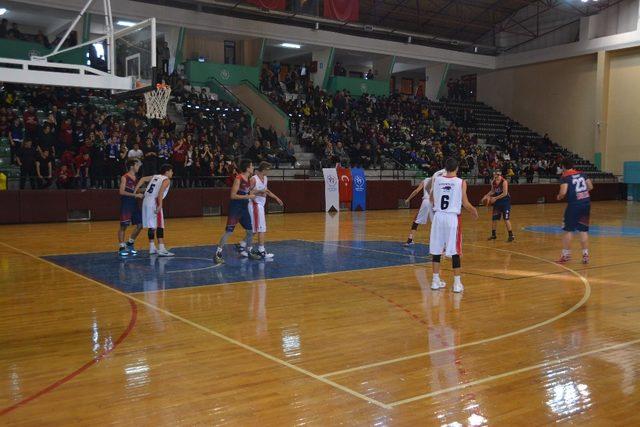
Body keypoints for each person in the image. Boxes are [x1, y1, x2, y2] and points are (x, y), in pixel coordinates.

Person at [429, 158, 478, 293]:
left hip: (438, 217)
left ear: (445, 168)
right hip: (452, 218)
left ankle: (435, 281)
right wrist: (474, 211)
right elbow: (466, 203)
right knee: (455, 250)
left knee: (437, 249)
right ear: (457, 168)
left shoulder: (437, 179)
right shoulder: (461, 182)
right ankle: (457, 283)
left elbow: (431, 198)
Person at [213, 159, 259, 264]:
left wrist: (259, 192)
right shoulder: (238, 178)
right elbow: (233, 195)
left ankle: (249, 251)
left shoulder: (248, 179)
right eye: (252, 166)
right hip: (235, 208)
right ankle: (217, 254)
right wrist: (248, 196)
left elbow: (247, 192)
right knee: (229, 231)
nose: (253, 168)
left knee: (250, 231)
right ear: (247, 168)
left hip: (244, 208)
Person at [557, 159, 593, 264]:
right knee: (583, 230)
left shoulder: (565, 177)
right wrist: (581, 192)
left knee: (568, 230)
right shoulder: (582, 174)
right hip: (586, 204)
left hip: (574, 205)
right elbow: (590, 186)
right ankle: (585, 255)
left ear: (563, 167)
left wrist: (559, 196)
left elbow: (563, 192)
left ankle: (566, 255)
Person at [246, 162, 284, 259]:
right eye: (268, 169)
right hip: (255, 205)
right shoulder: (253, 179)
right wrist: (259, 191)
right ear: (263, 169)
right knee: (261, 228)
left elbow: (266, 191)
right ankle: (261, 250)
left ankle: (243, 245)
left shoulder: (265, 178)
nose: (269, 171)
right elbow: (248, 192)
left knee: (255, 229)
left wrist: (277, 198)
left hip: (260, 205)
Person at [136, 164, 174, 257]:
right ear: (167, 172)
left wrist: (135, 190)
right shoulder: (166, 180)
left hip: (146, 201)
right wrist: (160, 204)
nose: (172, 173)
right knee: (160, 225)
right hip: (154, 201)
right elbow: (160, 192)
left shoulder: (155, 176)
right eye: (171, 171)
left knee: (151, 225)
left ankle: (152, 247)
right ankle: (161, 249)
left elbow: (143, 179)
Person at [403, 168, 446, 246]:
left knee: (416, 221)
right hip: (434, 202)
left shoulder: (425, 180)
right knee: (437, 223)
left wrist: (408, 199)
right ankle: (442, 244)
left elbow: (416, 191)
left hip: (425, 202)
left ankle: (410, 239)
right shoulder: (439, 180)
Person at [118, 160, 145, 257]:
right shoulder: (124, 177)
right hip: (126, 204)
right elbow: (121, 192)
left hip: (134, 204)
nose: (138, 167)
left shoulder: (136, 178)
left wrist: (147, 190)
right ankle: (121, 247)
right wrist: (135, 195)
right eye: (137, 165)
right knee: (123, 226)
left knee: (140, 225)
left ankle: (130, 243)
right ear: (132, 166)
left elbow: (136, 191)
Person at [481, 171, 515, 242]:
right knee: (494, 219)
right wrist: (486, 195)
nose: (496, 176)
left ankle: (511, 235)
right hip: (498, 202)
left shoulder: (504, 182)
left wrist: (495, 198)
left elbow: (505, 193)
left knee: (506, 218)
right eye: (495, 175)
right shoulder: (493, 182)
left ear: (500, 175)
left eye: (498, 175)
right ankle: (493, 235)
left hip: (505, 202)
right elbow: (492, 191)